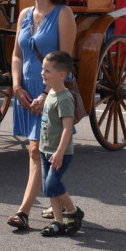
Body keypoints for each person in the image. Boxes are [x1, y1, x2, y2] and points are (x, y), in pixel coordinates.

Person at [6, 0, 76, 230]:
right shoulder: (24, 14)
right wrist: (16, 86)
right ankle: (65, 206)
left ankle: (23, 212)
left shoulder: (63, 13)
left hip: (52, 93)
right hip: (26, 90)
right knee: (39, 152)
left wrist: (46, 93)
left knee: (37, 150)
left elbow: (65, 60)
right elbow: (16, 55)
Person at [38, 50, 85, 237]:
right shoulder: (50, 93)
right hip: (45, 149)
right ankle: (58, 222)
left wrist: (59, 152)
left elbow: (67, 128)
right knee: (50, 189)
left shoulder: (65, 98)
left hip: (60, 153)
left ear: (62, 75)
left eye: (47, 71)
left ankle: (73, 212)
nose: (43, 73)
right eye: (43, 69)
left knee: (51, 186)